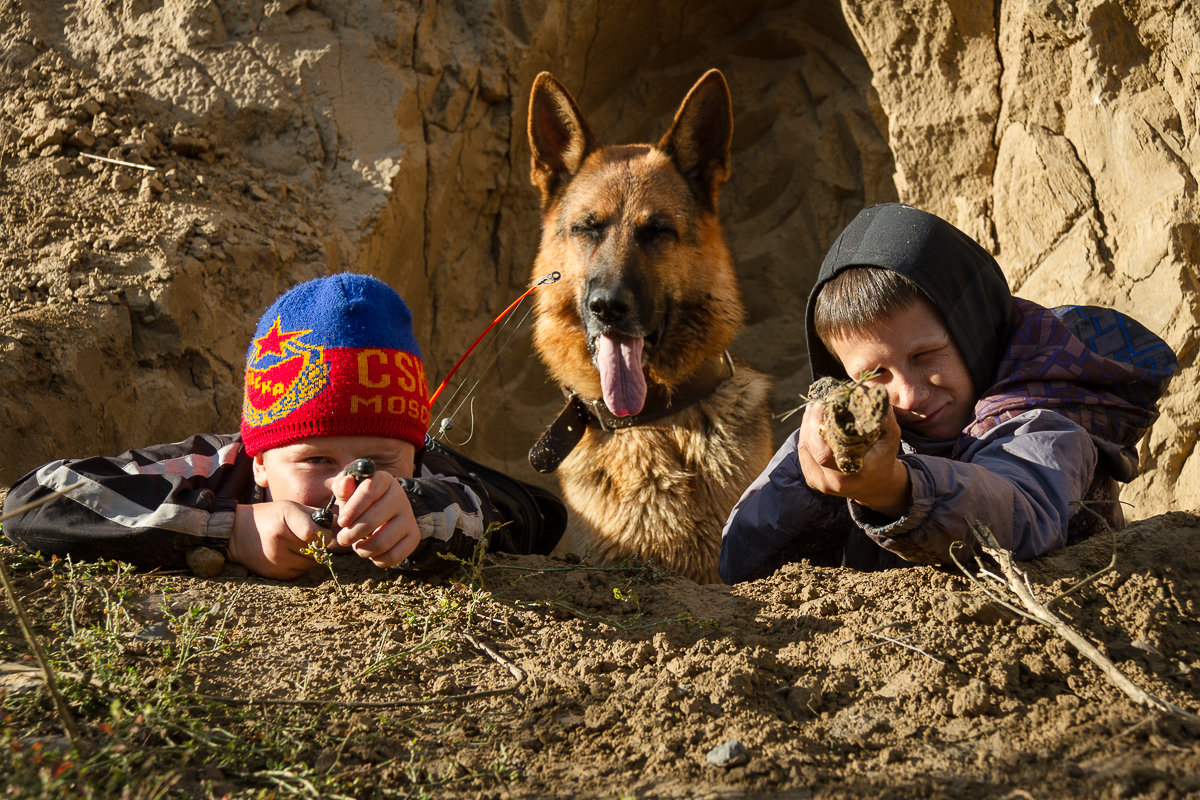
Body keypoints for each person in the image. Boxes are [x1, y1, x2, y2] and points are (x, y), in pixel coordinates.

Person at [719, 203, 1177, 584]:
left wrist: (896, 489)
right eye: (875, 374)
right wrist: (813, 472)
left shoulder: (1047, 416)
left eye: (926, 355)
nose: (911, 394)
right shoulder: (866, 429)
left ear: (974, 329)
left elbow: (1021, 508)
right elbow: (739, 563)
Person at [2, 273, 565, 579]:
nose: (350, 486)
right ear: (260, 459)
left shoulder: (432, 479)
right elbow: (34, 500)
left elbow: (505, 512)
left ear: (411, 458)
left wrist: (412, 513)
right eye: (317, 460)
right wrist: (230, 528)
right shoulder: (215, 469)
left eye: (378, 462)